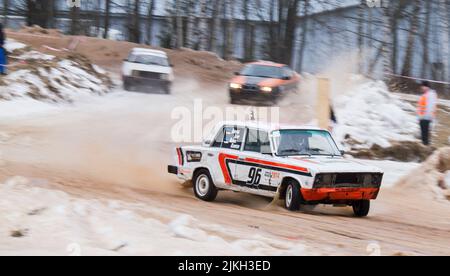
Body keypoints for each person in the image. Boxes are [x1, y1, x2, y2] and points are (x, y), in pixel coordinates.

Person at [417, 81, 438, 146]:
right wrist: (419, 117)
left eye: (423, 86)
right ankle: (425, 147)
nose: (422, 88)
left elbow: (430, 106)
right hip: (422, 117)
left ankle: (426, 148)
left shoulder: (430, 95)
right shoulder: (424, 95)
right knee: (423, 135)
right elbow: (421, 107)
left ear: (427, 87)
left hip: (426, 117)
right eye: (422, 86)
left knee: (425, 135)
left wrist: (428, 117)